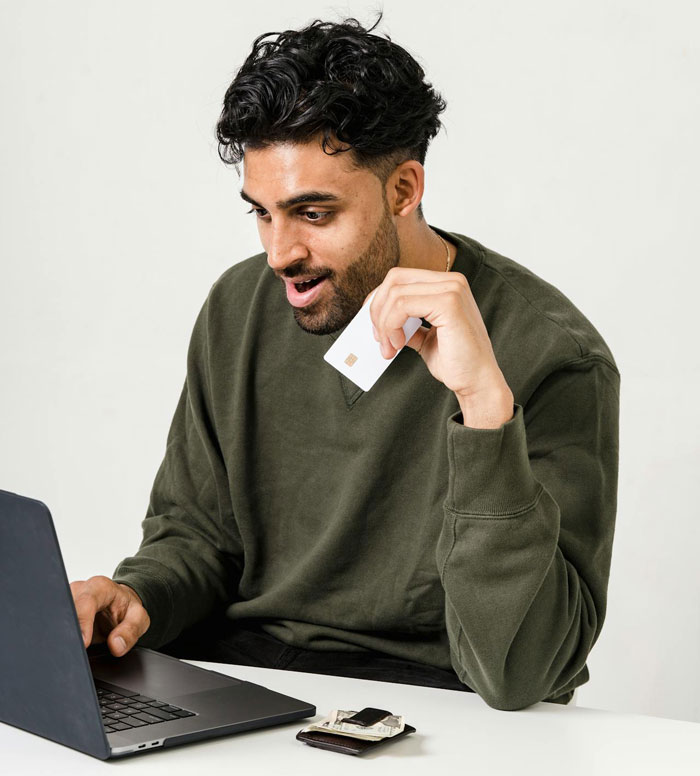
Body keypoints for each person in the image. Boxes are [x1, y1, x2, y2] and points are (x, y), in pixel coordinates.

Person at [69, 14, 620, 711]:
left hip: (436, 704)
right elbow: (199, 536)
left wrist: (485, 409)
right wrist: (138, 595)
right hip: (246, 680)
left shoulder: (555, 354)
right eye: (262, 213)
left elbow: (523, 672)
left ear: (403, 190)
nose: (280, 254)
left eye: (313, 213)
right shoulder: (240, 307)